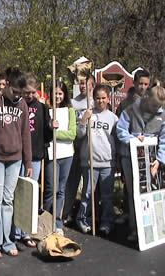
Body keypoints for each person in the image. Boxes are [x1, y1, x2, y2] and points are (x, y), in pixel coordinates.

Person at [0, 67, 32, 258]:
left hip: (15, 159)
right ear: (7, 85)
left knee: (8, 200)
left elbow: (25, 134)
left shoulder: (22, 105)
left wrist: (28, 162)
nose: (18, 96)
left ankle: (7, 240)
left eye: (21, 94)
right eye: (15, 92)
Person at [117, 84, 165, 242]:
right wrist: (133, 139)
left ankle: (153, 229)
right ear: (147, 98)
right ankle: (135, 229)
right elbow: (120, 130)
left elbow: (164, 141)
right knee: (133, 194)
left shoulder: (162, 115)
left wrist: (159, 160)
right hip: (130, 158)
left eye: (158, 106)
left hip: (151, 161)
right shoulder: (131, 110)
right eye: (153, 104)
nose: (155, 108)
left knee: (150, 193)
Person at [12, 73, 54, 247]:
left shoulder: (42, 108)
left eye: (31, 92)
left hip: (35, 155)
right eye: (26, 92)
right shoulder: (17, 105)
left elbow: (47, 135)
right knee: (16, 193)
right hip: (17, 155)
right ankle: (14, 231)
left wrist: (52, 127)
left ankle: (26, 231)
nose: (29, 96)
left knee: (29, 193)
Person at [76, 84, 119, 235]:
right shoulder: (88, 113)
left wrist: (117, 161)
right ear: (93, 99)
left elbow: (117, 140)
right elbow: (79, 135)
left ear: (108, 99)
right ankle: (84, 219)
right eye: (97, 98)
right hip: (89, 162)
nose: (100, 101)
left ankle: (106, 222)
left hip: (107, 162)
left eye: (103, 98)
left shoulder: (113, 118)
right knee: (88, 194)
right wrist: (83, 120)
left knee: (107, 196)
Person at [115, 69, 151, 225]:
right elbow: (119, 131)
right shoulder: (125, 105)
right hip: (128, 154)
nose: (143, 87)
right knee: (131, 191)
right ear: (135, 83)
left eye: (146, 84)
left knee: (145, 191)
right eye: (140, 83)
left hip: (146, 155)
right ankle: (133, 227)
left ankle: (146, 224)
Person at [43, 80, 76, 235]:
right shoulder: (47, 110)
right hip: (51, 154)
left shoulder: (69, 110)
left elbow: (72, 134)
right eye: (55, 93)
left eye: (60, 93)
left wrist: (55, 133)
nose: (57, 96)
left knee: (61, 189)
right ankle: (46, 219)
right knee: (51, 188)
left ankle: (57, 221)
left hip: (67, 154)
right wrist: (50, 129)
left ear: (64, 95)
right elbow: (44, 133)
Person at [63, 74, 95, 224]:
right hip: (74, 148)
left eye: (86, 84)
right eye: (81, 84)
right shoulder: (73, 103)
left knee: (89, 187)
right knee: (71, 184)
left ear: (92, 86)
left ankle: (85, 216)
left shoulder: (96, 103)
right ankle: (66, 213)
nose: (83, 86)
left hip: (89, 151)